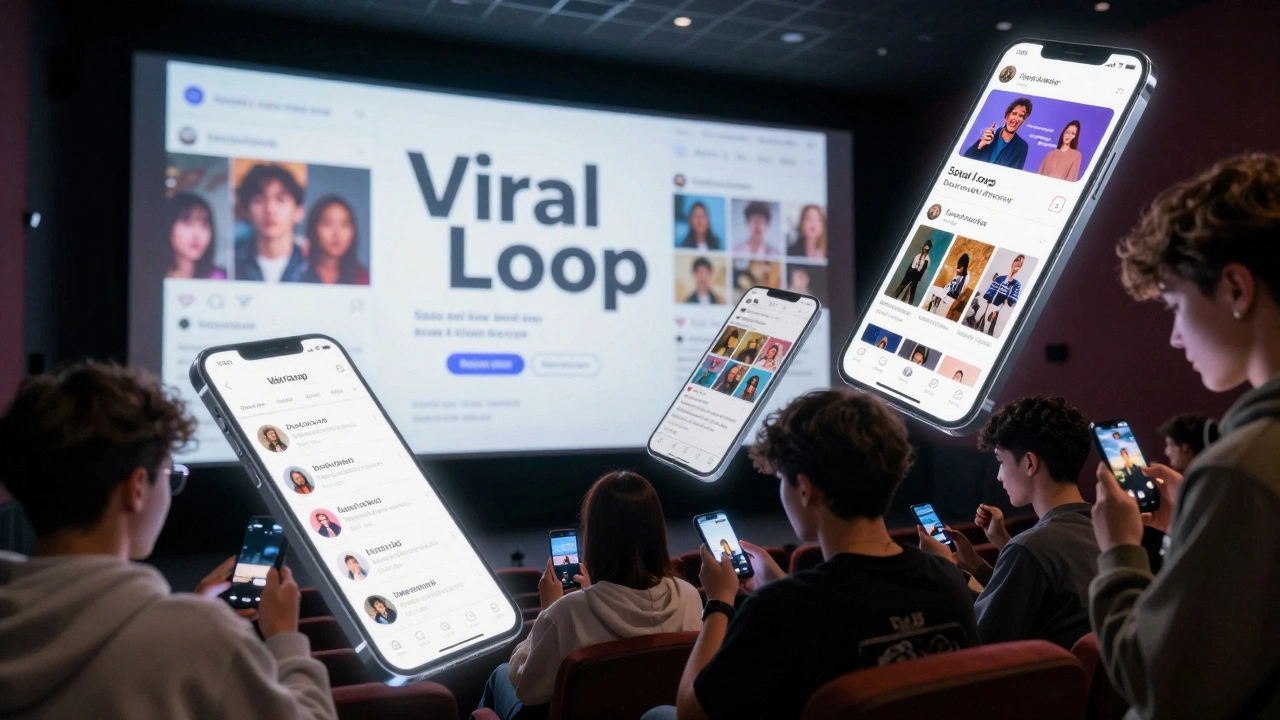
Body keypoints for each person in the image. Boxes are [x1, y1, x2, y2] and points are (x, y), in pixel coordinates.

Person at [0, 362, 335, 719]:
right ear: (136, 489)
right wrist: (285, 639)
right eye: (169, 475)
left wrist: (180, 613)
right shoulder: (202, 637)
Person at [1090, 153, 1280, 717]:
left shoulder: (1239, 470)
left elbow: (1159, 687)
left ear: (1236, 288)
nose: (1175, 336)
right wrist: (1192, 528)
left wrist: (1120, 552)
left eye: (1175, 305)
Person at [661, 389, 977, 720]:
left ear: (804, 488)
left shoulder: (777, 610)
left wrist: (719, 602)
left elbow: (691, 712)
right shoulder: (947, 579)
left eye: (781, 480)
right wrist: (779, 584)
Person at [479, 471, 702, 718]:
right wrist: (586, 597)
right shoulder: (689, 597)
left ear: (595, 536)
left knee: (500, 674)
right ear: (657, 530)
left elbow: (527, 690)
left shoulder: (564, 613)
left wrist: (549, 610)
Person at [917, 396, 1100, 648]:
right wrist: (984, 560)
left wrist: (945, 569)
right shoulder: (1109, 528)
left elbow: (977, 639)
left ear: (1029, 463)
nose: (999, 477)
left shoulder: (1031, 548)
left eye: (1000, 462)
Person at [234, 164, 308, 283]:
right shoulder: (233, 263)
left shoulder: (311, 264)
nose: (270, 209)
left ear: (299, 212)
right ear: (246, 211)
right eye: (259, 200)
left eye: (280, 200)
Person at [303, 196, 369, 286]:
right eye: (327, 224)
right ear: (314, 229)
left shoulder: (362, 278)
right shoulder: (299, 272)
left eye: (344, 225)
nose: (336, 234)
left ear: (353, 232)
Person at [164, 193, 227, 280]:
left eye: (204, 226)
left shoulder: (217, 278)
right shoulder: (154, 274)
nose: (197, 234)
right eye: (188, 224)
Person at [962, 98, 1033, 170]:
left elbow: (1013, 173)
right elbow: (965, 162)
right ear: (1007, 115)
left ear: (1023, 121)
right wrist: (980, 145)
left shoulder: (1022, 147)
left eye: (1020, 116)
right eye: (1014, 113)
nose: (1016, 118)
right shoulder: (989, 135)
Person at [976, 254, 1025, 336]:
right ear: (1013, 262)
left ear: (1021, 266)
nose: (1017, 263)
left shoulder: (1016, 284)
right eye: (1017, 260)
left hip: (999, 308)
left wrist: (997, 309)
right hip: (989, 305)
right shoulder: (999, 279)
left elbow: (1010, 302)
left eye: (1020, 262)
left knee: (989, 327)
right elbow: (989, 293)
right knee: (981, 320)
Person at [892, 238, 933, 304]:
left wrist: (920, 278)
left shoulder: (927, 260)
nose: (924, 250)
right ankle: (895, 298)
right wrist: (909, 272)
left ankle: (909, 303)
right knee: (902, 286)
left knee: (912, 291)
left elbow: (924, 270)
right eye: (924, 247)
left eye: (927, 248)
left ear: (928, 249)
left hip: (917, 275)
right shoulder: (918, 256)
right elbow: (912, 265)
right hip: (911, 272)